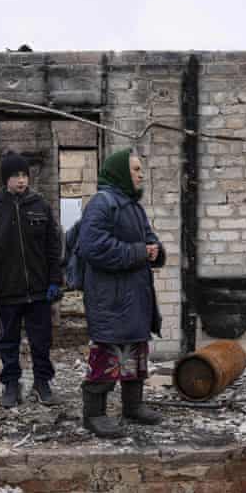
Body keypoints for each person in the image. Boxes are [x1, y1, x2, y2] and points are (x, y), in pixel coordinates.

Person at [77, 148, 164, 438]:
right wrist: (141, 251)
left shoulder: (132, 206)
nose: (141, 174)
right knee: (108, 352)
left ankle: (133, 406)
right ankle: (94, 414)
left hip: (135, 295)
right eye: (136, 169)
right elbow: (93, 247)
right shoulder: (102, 204)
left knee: (136, 351)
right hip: (111, 298)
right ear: (120, 172)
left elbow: (149, 239)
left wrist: (156, 251)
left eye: (141, 169)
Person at [0, 152, 63, 408]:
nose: (21, 180)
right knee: (8, 342)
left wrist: (55, 280)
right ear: (6, 179)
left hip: (38, 291)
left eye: (24, 175)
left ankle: (42, 383)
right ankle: (12, 384)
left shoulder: (40, 206)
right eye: (16, 176)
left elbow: (53, 247)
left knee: (41, 340)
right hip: (6, 292)